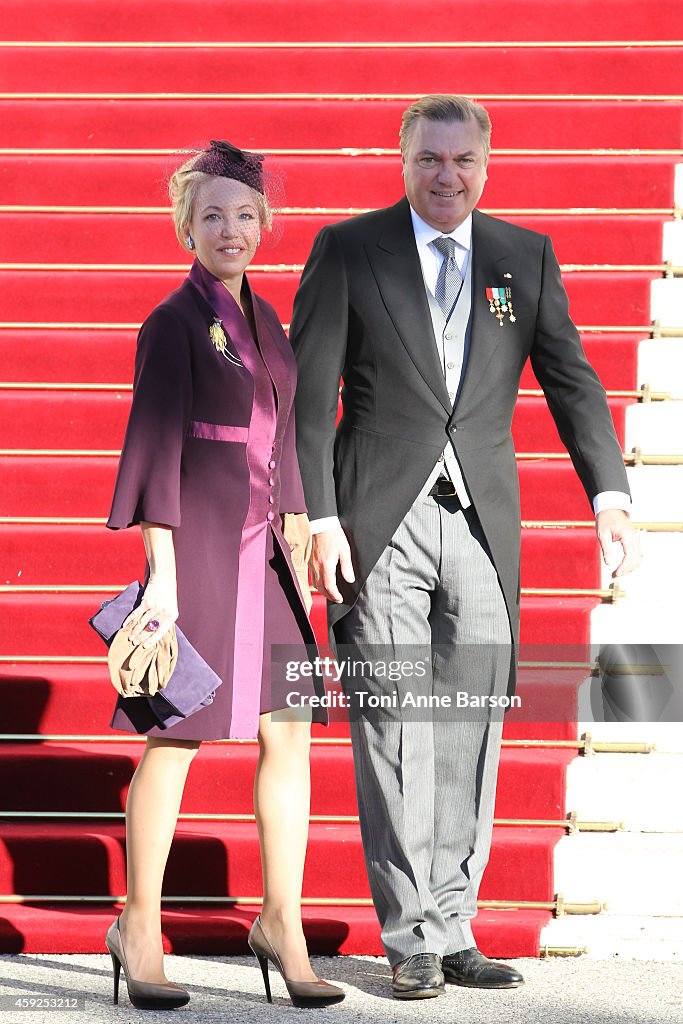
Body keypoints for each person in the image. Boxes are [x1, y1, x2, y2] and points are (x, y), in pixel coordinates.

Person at [290, 95, 642, 1000]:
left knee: (468, 725)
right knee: (396, 724)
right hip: (376, 519)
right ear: (400, 160)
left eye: (462, 161)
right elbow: (309, 396)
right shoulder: (348, 248)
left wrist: (607, 492)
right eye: (428, 159)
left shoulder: (521, 258)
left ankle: (451, 927)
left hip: (483, 521)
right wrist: (317, 514)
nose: (446, 176)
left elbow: (569, 377)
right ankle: (407, 934)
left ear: (487, 164)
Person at [104, 140, 344, 1010]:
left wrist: (303, 535)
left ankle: (281, 919)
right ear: (186, 227)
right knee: (174, 734)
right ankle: (138, 926)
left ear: (264, 224)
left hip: (269, 555)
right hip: (198, 549)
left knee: (291, 732)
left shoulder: (269, 321)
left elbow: (284, 439)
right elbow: (154, 450)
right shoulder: (171, 323)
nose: (231, 229)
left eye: (245, 214)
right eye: (213, 215)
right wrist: (159, 582)